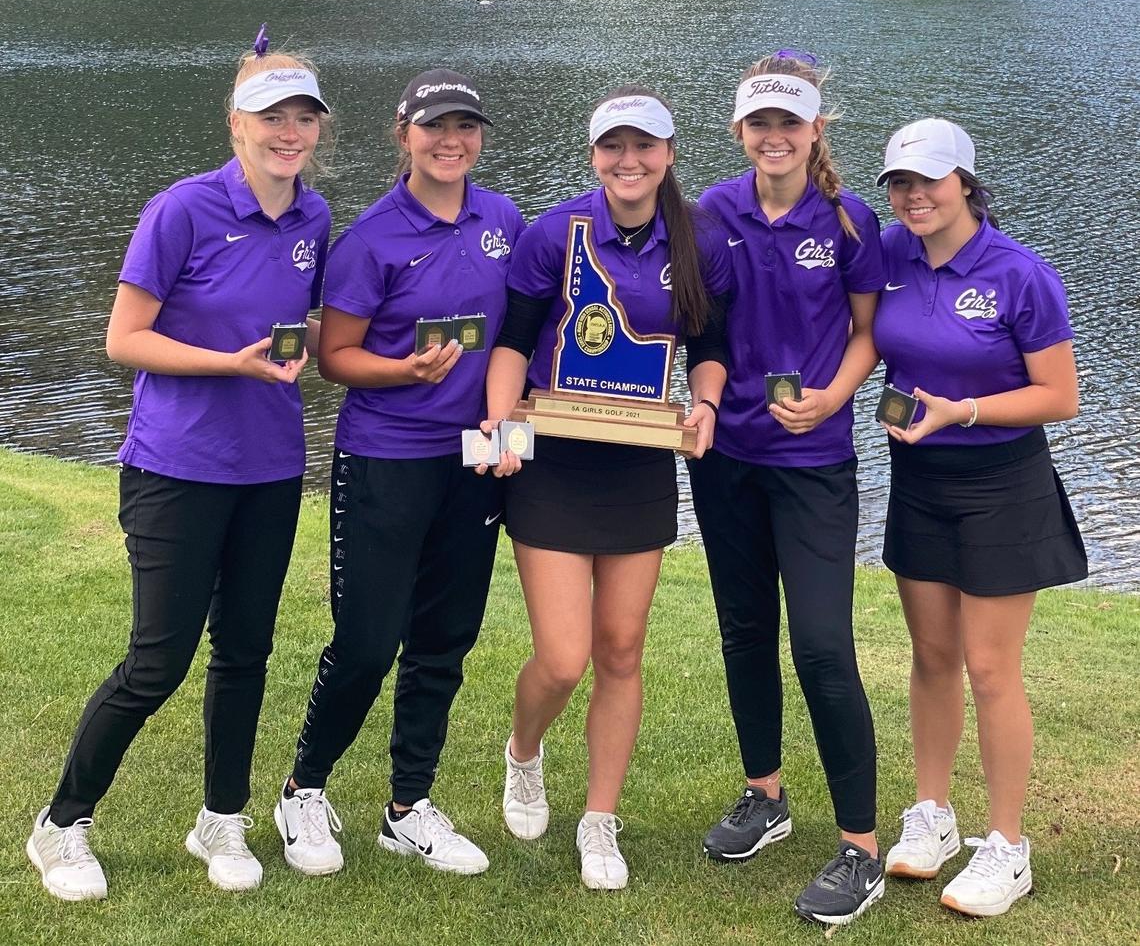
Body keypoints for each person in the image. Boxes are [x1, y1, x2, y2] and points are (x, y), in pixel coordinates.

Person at [26, 28, 333, 900]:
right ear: (236, 122)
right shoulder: (182, 208)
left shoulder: (313, 215)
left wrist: (309, 344)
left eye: (303, 118)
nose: (289, 132)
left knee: (245, 650)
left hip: (270, 467)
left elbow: (297, 321)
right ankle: (61, 824)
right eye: (272, 115)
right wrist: (227, 362)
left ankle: (221, 818)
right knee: (157, 660)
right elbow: (124, 338)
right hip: (176, 467)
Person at [273, 69, 525, 879]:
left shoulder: (504, 219)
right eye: (434, 127)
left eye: (466, 127)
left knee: (445, 639)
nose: (451, 141)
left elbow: (514, 337)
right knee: (368, 639)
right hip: (386, 457)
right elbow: (335, 357)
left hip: (475, 460)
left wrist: (512, 415)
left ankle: (407, 806)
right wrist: (404, 371)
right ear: (403, 132)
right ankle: (303, 786)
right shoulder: (372, 237)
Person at [482, 86, 731, 891]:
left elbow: (710, 344)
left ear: (668, 154)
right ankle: (524, 750)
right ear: (594, 155)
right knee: (562, 656)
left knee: (621, 648)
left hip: (638, 463)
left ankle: (600, 819)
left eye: (645, 146)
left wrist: (708, 403)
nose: (629, 161)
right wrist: (500, 428)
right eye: (613, 148)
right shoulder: (554, 231)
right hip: (552, 461)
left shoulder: (696, 240)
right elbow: (515, 341)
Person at [688, 51, 886, 926]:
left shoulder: (849, 220)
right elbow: (702, 330)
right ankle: (764, 795)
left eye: (790, 123)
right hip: (724, 455)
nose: (775, 137)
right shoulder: (710, 213)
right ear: (740, 132)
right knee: (743, 628)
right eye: (759, 123)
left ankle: (862, 849)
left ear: (814, 131)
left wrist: (836, 397)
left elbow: (868, 333)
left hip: (812, 461)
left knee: (821, 644)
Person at [873, 118, 1086, 917]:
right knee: (931, 654)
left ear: (966, 181)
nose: (913, 195)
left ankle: (1007, 846)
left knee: (991, 667)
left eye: (928, 180)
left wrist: (961, 409)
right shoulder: (891, 255)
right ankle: (933, 815)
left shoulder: (1019, 273)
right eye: (899, 182)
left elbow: (1059, 397)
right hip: (917, 478)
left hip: (1001, 483)